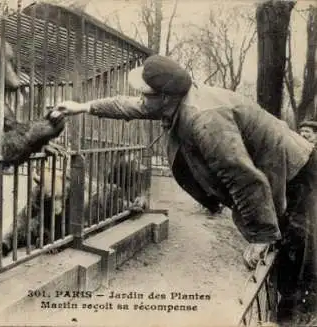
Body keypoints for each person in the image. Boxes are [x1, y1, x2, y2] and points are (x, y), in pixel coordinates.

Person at [54, 55, 317, 324]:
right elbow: (133, 106)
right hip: (274, 172)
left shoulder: (205, 120)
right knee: (285, 254)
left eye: (147, 94)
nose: (143, 100)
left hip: (297, 171)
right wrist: (84, 107)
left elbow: (243, 179)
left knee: (300, 259)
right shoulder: (177, 98)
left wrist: (261, 236)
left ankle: (298, 316)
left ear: (166, 98)